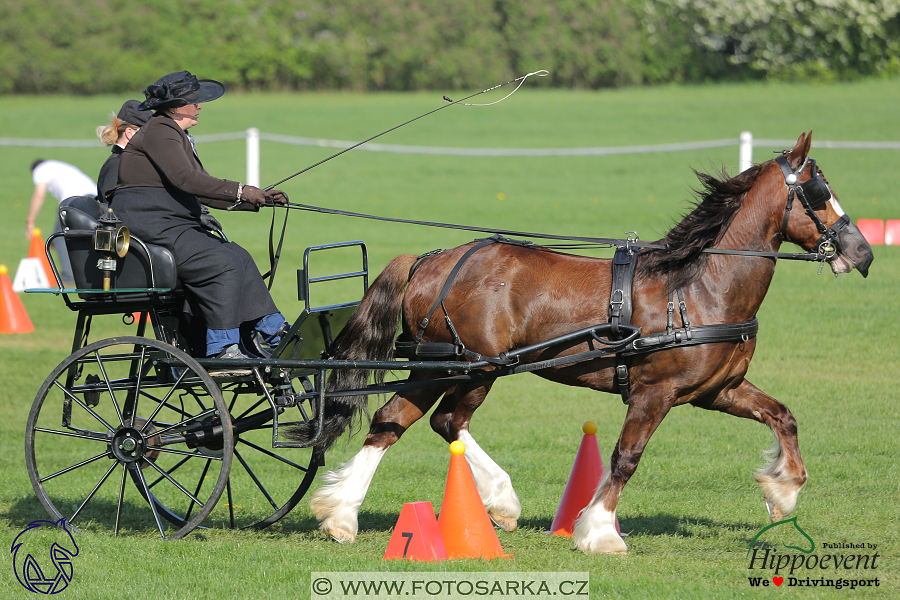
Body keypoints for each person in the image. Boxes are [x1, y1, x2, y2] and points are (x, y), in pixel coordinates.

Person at [113, 70, 288, 360]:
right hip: (152, 224)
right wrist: (244, 190)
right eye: (193, 100)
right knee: (222, 262)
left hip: (172, 223)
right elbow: (186, 179)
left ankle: (273, 330)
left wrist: (257, 200)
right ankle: (222, 348)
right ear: (175, 105)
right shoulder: (160, 130)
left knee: (239, 255)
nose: (199, 105)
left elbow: (201, 191)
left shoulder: (172, 133)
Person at [27, 159, 98, 287]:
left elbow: (39, 194)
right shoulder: (58, 166)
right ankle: (93, 273)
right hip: (93, 199)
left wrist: (30, 221)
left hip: (73, 200)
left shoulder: (40, 170)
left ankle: (68, 277)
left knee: (59, 238)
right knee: (86, 238)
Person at [96, 99, 150, 201]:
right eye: (148, 133)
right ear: (130, 133)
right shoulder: (116, 164)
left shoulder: (126, 161)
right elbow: (110, 208)